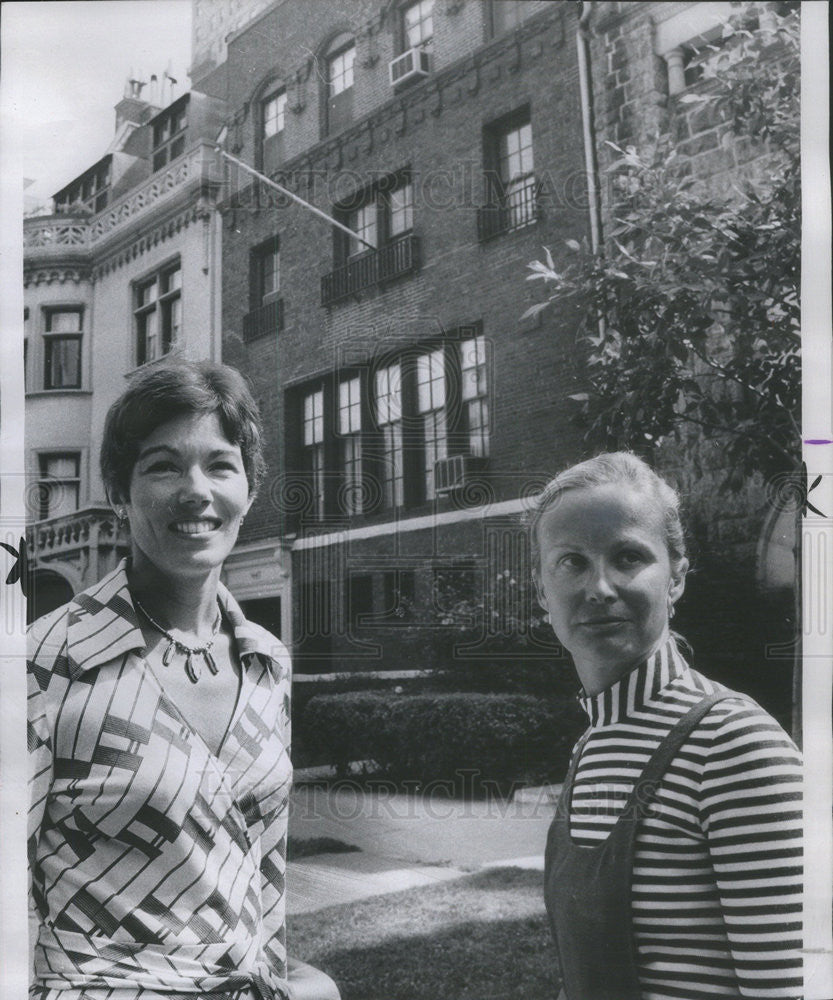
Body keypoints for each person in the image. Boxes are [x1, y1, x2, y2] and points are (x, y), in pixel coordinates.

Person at [27, 358, 339, 1000]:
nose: (196, 490)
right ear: (120, 493)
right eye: (163, 466)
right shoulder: (45, 660)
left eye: (220, 465)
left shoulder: (266, 662)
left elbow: (263, 876)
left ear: (249, 489)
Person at [530, 452, 802, 1000]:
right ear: (541, 592)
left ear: (675, 578)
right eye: (572, 562)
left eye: (628, 556)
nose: (599, 586)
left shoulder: (734, 745)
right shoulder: (590, 745)